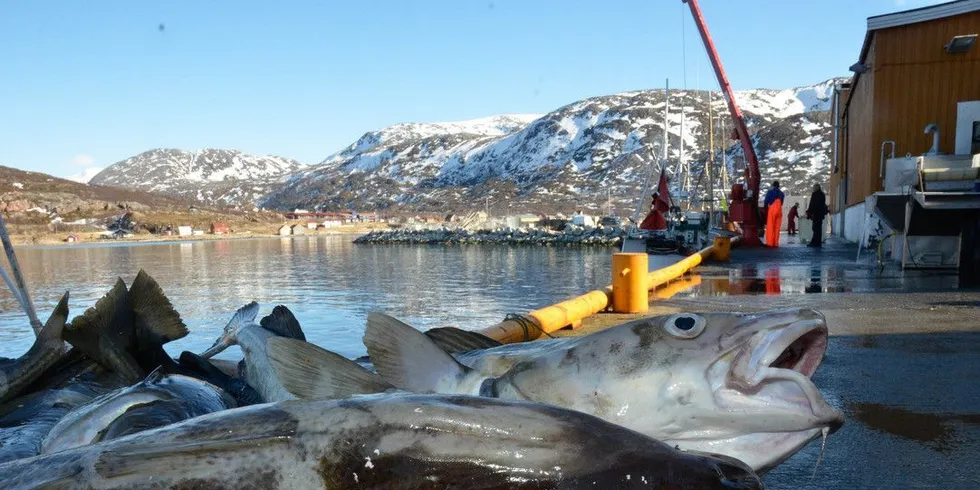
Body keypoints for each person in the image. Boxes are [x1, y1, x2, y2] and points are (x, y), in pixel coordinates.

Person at [763, 181, 784, 247]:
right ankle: (775, 243)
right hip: (779, 210)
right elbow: (782, 203)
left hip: (772, 209)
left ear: (773, 186)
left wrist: (765, 207)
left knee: (770, 226)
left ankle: (770, 243)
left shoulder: (770, 192)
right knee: (777, 227)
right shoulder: (782, 193)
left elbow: (766, 201)